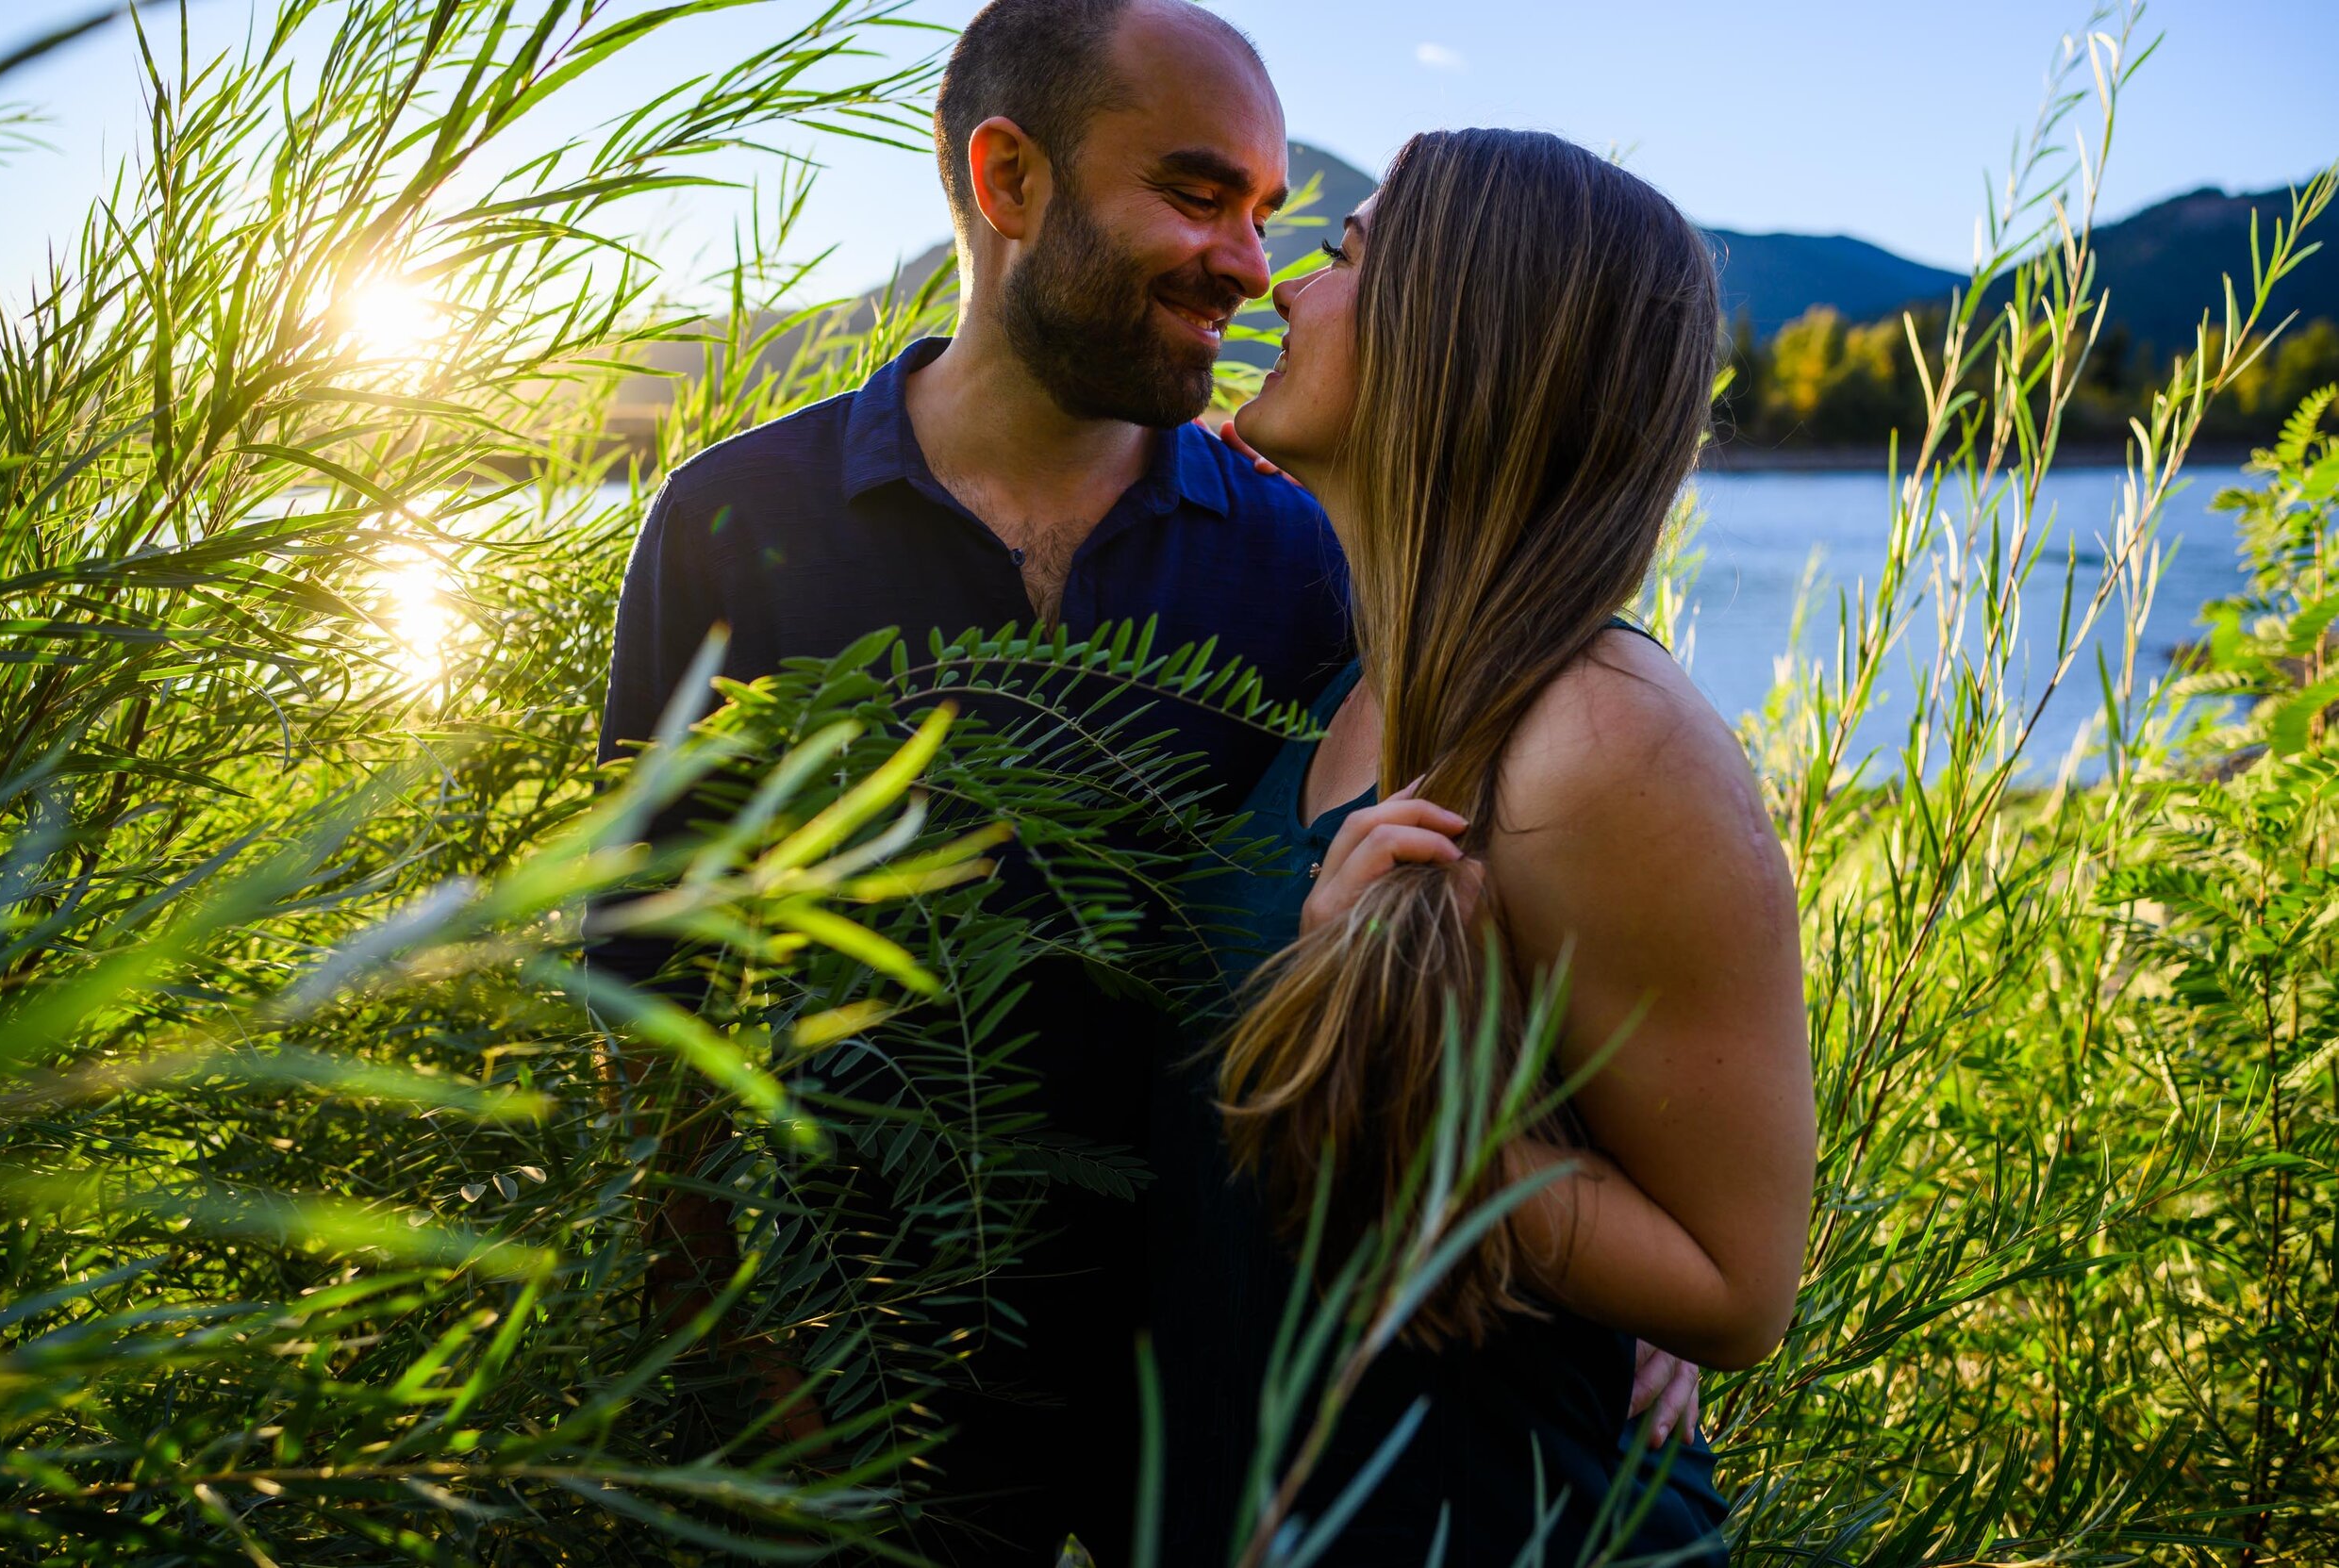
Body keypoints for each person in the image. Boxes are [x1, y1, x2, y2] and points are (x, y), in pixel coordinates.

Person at [593, 1, 1352, 1560]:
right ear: (1008, 179)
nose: (1251, 268)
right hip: (843, 1415)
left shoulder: (1299, 559)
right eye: (1200, 195)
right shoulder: (731, 521)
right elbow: (647, 993)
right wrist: (757, 1398)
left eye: (1264, 216)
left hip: (1215, 1421)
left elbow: (1481, 900)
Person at [1154, 128, 1816, 1566]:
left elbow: (1736, 1284)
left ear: (1458, 332)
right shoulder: (1352, 671)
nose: (1284, 291)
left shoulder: (1599, 740)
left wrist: (1421, 1108)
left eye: (1340, 260)